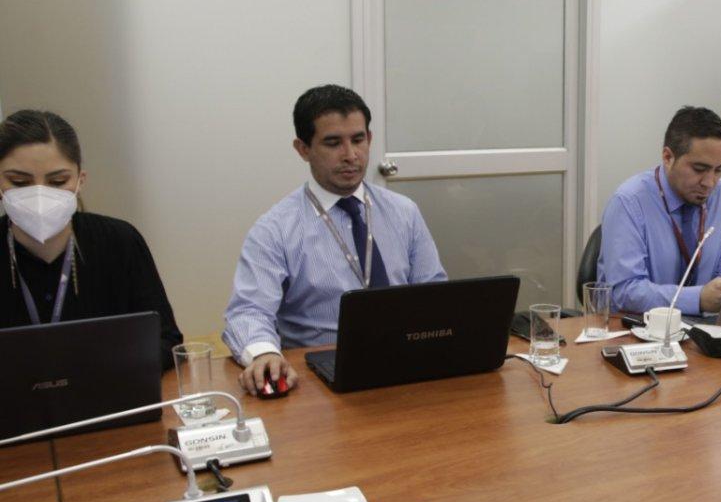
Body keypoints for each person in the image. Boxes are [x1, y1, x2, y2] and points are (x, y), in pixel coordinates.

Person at [223, 85, 446, 397]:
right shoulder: (275, 228)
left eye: (358, 140)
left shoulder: (403, 211)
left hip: (408, 364)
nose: (350, 156)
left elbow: (434, 291)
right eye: (333, 143)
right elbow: (248, 311)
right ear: (302, 148)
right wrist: (264, 354)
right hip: (323, 374)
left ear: (369, 139)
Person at [0, 110, 182, 369]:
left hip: (110, 401)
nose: (39, 194)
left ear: (79, 181)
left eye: (58, 181)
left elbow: (166, 339)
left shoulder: (120, 242)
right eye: (19, 182)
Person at [598, 106, 721, 315]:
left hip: (704, 330)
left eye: (719, 169)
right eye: (699, 169)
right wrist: (698, 299)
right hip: (638, 331)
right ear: (668, 157)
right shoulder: (629, 202)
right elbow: (624, 292)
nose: (709, 182)